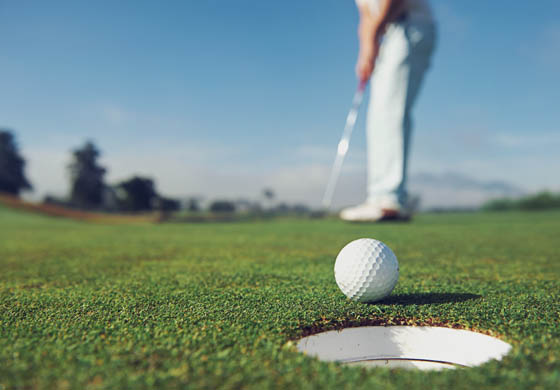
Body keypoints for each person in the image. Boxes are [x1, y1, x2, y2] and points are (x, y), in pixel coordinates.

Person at [340, 0, 436, 221]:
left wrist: (374, 36)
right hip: (387, 33)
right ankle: (378, 197)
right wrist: (365, 50)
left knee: (392, 112)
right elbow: (366, 14)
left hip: (410, 27)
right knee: (378, 117)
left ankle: (390, 198)